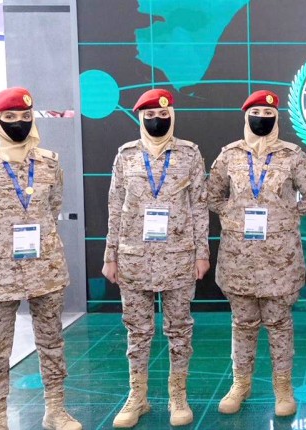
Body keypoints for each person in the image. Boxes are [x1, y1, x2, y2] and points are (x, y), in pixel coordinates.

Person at [0, 87, 82, 430]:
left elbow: (52, 207)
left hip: (46, 268)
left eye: (25, 117)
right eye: (10, 117)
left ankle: (55, 410)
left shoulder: (49, 162)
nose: (19, 123)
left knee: (52, 341)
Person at [207, 90, 306, 416]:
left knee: (279, 324)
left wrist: (287, 216)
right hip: (239, 258)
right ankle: (240, 384)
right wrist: (232, 216)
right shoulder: (229, 156)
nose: (262, 118)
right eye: (256, 113)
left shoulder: (291, 155)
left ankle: (283, 388)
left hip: (279, 260)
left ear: (276, 118)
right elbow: (212, 196)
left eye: (268, 114)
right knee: (242, 323)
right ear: (246, 116)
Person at [101, 89, 209, 428]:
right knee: (137, 331)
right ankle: (138, 397)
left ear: (171, 116)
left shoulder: (189, 153)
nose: (157, 120)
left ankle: (178, 396)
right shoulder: (126, 156)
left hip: (178, 256)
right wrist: (110, 256)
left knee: (179, 330)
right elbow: (114, 207)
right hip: (134, 257)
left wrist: (202, 253)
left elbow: (200, 206)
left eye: (163, 114)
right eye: (150, 115)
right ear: (140, 118)